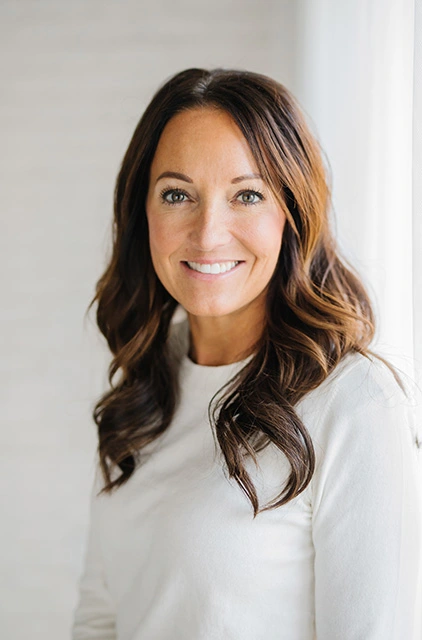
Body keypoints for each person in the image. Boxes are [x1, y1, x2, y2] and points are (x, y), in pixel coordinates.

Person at [71, 68, 422, 640]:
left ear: (292, 213)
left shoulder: (355, 406)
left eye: (247, 195)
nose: (208, 234)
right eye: (178, 194)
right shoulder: (140, 395)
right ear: (143, 214)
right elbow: (99, 620)